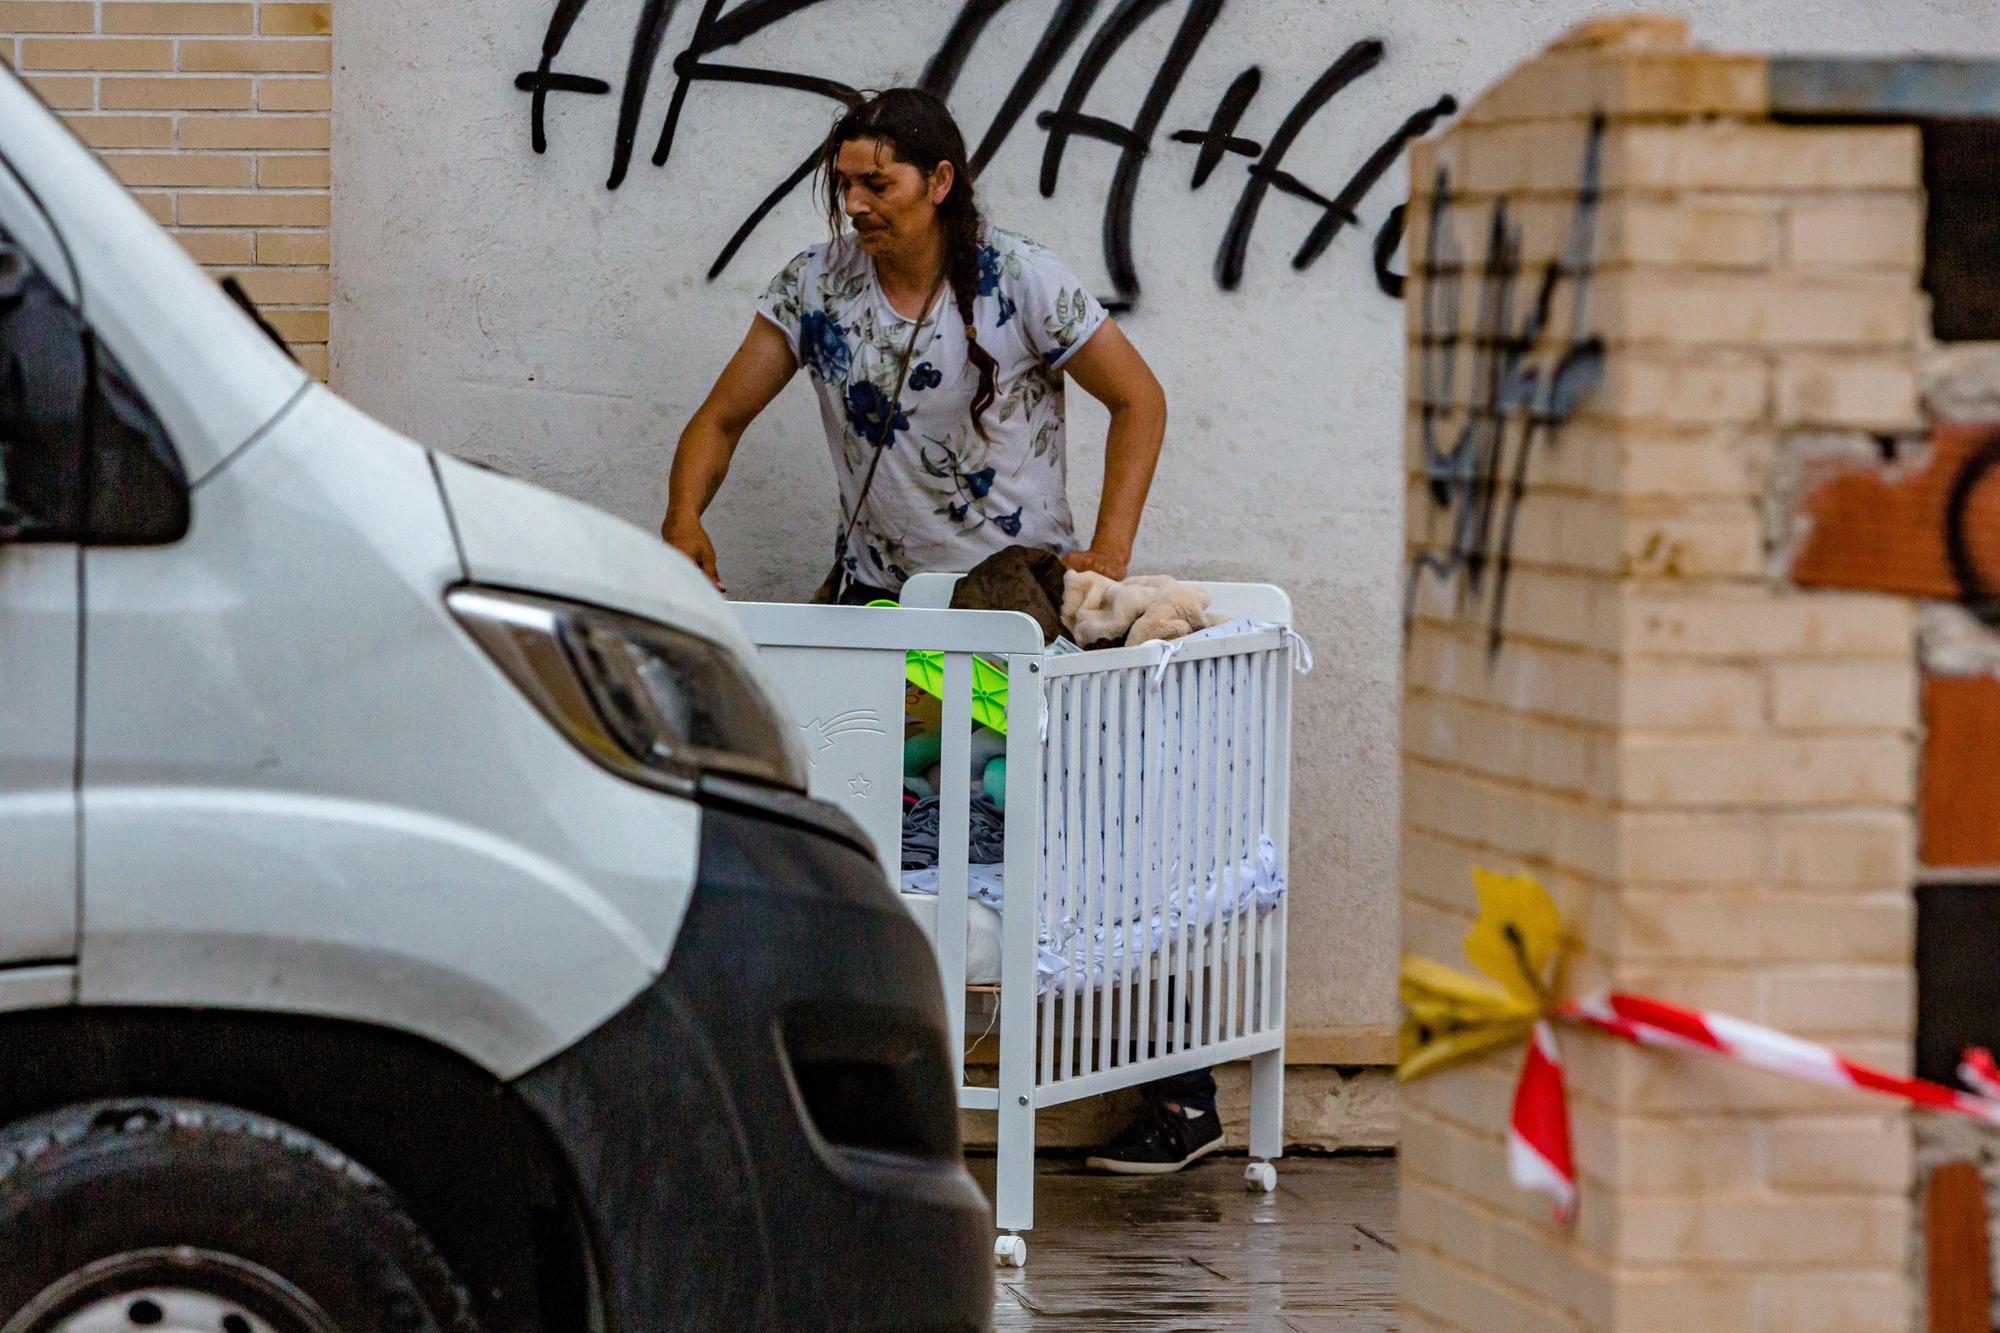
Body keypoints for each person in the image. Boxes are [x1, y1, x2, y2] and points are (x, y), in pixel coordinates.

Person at [661, 87, 1219, 1174]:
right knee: (861, 839)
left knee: (1067, 840)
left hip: (1006, 610)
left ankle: (1183, 1094)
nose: (855, 204)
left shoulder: (1020, 279)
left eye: (877, 183)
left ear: (939, 181)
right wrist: (684, 518)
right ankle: (859, 1092)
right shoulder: (812, 287)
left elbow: (1137, 399)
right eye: (844, 184)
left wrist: (1105, 548)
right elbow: (719, 419)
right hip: (885, 612)